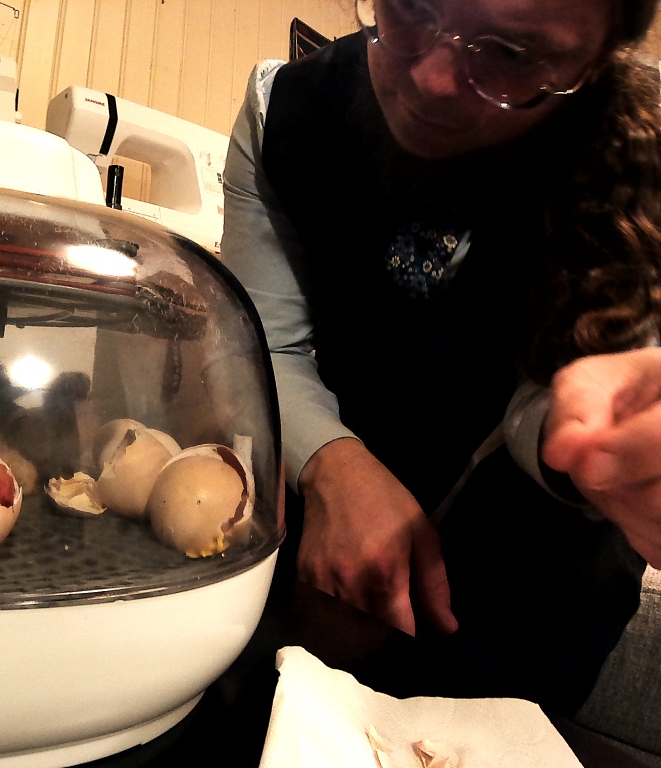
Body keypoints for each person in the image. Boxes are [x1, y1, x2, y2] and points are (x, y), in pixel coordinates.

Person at [220, 0, 661, 715]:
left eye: (512, 54)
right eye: (409, 8)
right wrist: (332, 464)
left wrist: (603, 440)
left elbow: (554, 395)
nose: (430, 79)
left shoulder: (641, 152)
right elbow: (264, 340)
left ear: (598, 58)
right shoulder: (287, 112)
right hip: (314, 559)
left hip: (532, 586)